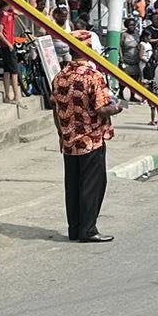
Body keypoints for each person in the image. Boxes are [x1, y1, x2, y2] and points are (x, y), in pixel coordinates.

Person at [52, 29, 124, 241]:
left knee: (72, 186)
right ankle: (88, 230)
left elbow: (55, 108)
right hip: (90, 139)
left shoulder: (60, 76)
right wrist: (117, 108)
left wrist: (61, 134)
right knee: (92, 185)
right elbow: (101, 109)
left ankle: (75, 229)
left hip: (69, 140)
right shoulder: (93, 76)